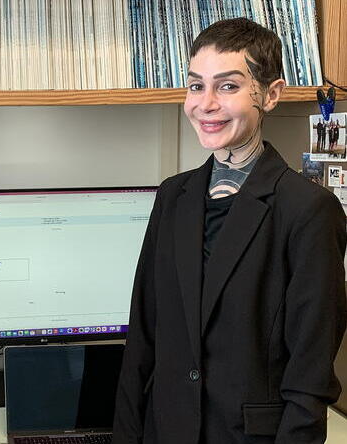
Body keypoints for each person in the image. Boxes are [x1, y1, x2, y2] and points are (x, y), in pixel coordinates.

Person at [113, 18, 346, 444]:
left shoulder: (309, 210)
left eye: (228, 86)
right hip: (164, 430)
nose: (205, 104)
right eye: (195, 85)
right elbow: (142, 342)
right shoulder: (172, 197)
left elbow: (310, 379)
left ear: (270, 94)